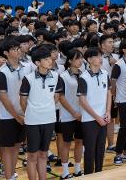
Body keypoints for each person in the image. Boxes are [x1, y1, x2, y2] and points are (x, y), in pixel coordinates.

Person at [20, 46, 65, 180]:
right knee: (32, 155)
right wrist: (32, 112)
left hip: (49, 119)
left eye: (49, 58)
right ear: (37, 63)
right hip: (33, 121)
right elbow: (22, 101)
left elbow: (57, 96)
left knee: (44, 154)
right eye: (45, 59)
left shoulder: (56, 76)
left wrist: (47, 107)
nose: (50, 61)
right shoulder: (28, 79)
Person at [0, 38, 32, 180]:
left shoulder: (27, 67)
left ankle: (11, 174)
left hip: (23, 113)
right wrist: (17, 116)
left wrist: (24, 112)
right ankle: (9, 175)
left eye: (18, 48)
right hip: (6, 115)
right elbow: (4, 98)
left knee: (17, 145)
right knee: (7, 148)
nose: (18, 51)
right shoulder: (1, 72)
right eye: (14, 49)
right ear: (6, 53)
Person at [77, 48, 111, 175]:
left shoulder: (105, 73)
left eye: (101, 56)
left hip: (104, 118)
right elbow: (83, 101)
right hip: (90, 120)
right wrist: (97, 117)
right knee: (90, 151)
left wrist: (107, 112)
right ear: (89, 60)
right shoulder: (83, 77)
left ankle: (99, 174)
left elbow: (108, 93)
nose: (100, 58)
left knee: (100, 150)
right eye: (97, 56)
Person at [57, 50, 85, 178]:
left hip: (82, 114)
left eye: (81, 58)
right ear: (70, 61)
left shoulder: (84, 75)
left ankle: (78, 168)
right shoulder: (63, 76)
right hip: (68, 116)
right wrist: (74, 113)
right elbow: (61, 98)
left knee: (79, 141)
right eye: (77, 58)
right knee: (66, 142)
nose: (80, 61)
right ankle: (65, 171)